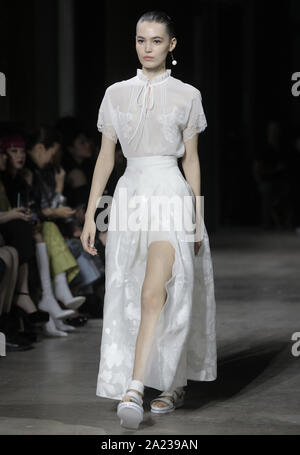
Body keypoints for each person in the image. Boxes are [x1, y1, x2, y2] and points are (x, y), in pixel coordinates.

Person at [80, 10, 217, 430]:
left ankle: (138, 387)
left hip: (170, 194)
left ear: (172, 44)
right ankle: (162, 380)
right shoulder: (115, 94)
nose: (148, 48)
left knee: (156, 289)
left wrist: (197, 216)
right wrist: (90, 215)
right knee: (132, 288)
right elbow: (106, 156)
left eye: (157, 40)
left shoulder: (187, 95)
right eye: (141, 40)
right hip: (129, 196)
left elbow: (192, 161)